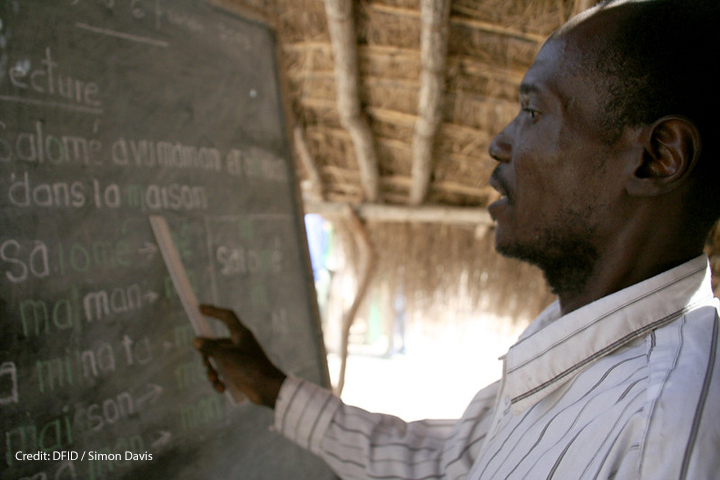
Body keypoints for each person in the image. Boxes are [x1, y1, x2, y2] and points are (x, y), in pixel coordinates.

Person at [194, 0, 720, 478]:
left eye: (533, 112)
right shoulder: (571, 336)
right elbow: (447, 464)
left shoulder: (662, 435)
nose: (499, 142)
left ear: (657, 157)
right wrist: (274, 389)